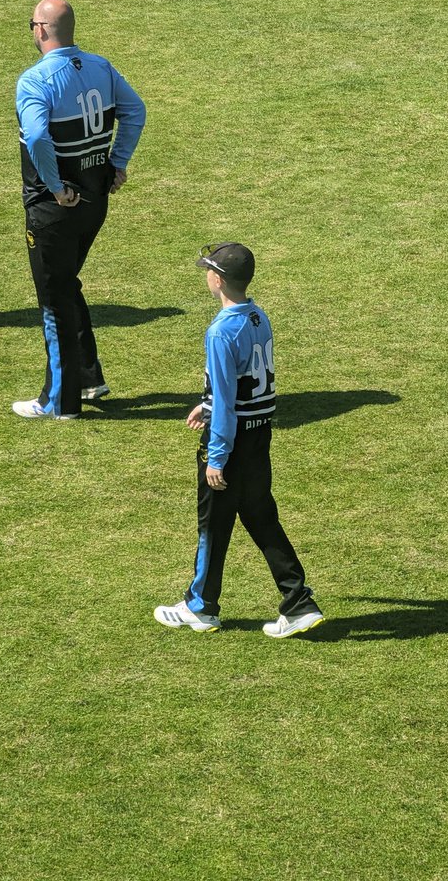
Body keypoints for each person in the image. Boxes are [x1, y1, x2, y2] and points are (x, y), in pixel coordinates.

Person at [153, 242, 324, 638]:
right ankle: (298, 602)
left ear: (218, 280)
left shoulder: (220, 331)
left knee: (213, 524)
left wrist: (217, 456)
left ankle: (201, 607)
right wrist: (208, 405)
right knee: (261, 517)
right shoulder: (258, 317)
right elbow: (240, 385)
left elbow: (228, 401)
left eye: (208, 270)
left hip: (231, 442)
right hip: (259, 434)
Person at [12, 0, 146, 419]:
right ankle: (88, 377)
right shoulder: (100, 67)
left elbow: (37, 138)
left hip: (54, 208)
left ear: (40, 29)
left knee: (53, 299)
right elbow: (135, 111)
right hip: (94, 200)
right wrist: (116, 162)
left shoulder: (35, 80)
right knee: (67, 285)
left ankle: (59, 401)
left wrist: (55, 187)